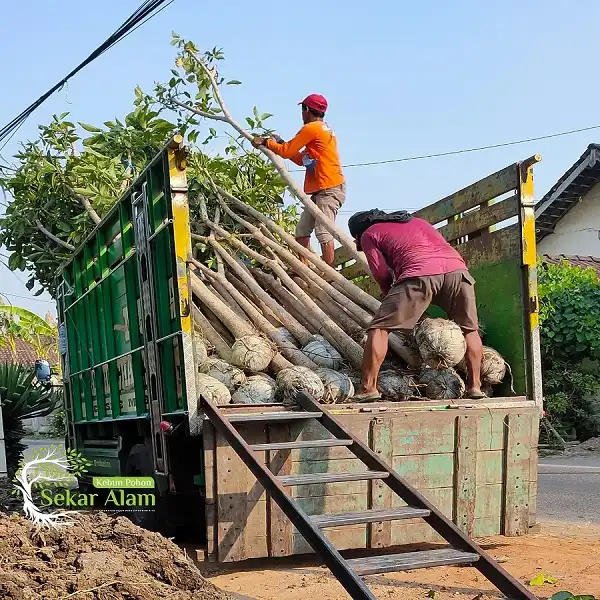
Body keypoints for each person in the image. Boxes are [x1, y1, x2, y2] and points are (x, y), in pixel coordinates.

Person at [347, 209, 484, 401]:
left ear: (356, 234)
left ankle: (369, 388)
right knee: (470, 330)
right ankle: (475, 387)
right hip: (458, 272)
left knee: (379, 328)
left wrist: (390, 296)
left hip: (418, 273)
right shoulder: (418, 222)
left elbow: (381, 273)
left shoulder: (369, 234)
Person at [252, 94, 345, 266]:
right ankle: (304, 267)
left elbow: (286, 152)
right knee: (302, 230)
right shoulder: (323, 130)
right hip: (322, 188)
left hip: (328, 188)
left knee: (324, 232)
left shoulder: (311, 129)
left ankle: (330, 276)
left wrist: (266, 142)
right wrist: (280, 143)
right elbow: (301, 159)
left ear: (307, 110)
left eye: (302, 109)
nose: (301, 114)